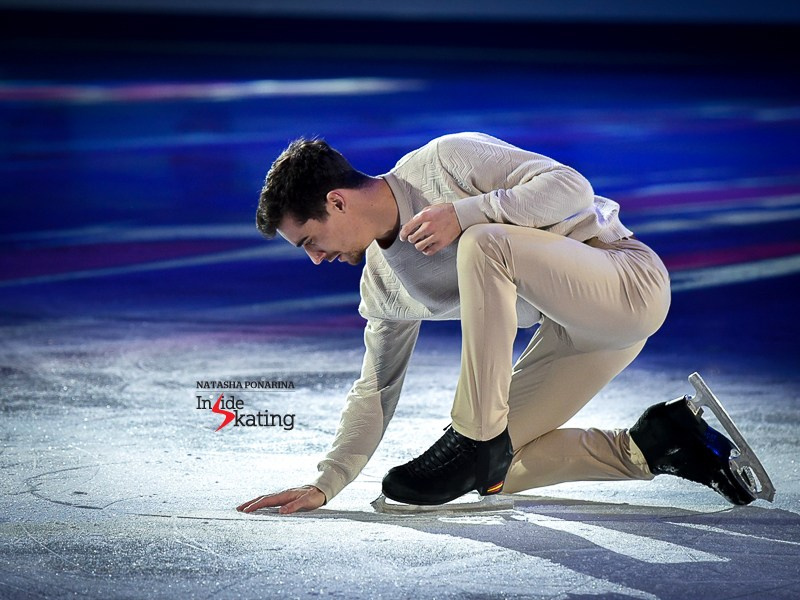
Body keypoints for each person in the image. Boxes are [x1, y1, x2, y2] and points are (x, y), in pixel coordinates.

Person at [236, 132, 761, 516]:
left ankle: (475, 433)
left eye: (309, 241)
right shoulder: (381, 280)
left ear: (336, 201)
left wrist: (468, 213)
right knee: (494, 473)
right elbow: (376, 386)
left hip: (626, 280)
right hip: (575, 337)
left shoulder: (445, 161)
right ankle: (662, 442)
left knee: (484, 243)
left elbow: (572, 189)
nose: (315, 258)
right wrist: (327, 482)